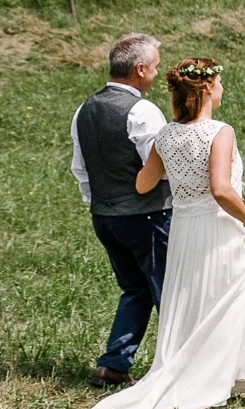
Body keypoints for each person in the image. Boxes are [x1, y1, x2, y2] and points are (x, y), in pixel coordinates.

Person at [84, 59, 245, 409]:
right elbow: (221, 190)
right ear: (207, 88)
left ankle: (241, 376)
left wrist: (178, 171)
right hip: (218, 228)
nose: (222, 88)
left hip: (184, 229)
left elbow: (143, 183)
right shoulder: (220, 131)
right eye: (219, 82)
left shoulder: (166, 135)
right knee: (236, 301)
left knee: (195, 303)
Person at [73, 34, 171, 389]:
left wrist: (100, 205)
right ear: (140, 69)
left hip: (104, 218)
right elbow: (160, 166)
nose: (157, 74)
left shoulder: (84, 109)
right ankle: (178, 368)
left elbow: (81, 168)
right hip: (147, 217)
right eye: (155, 67)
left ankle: (113, 364)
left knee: (135, 289)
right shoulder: (142, 111)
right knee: (168, 292)